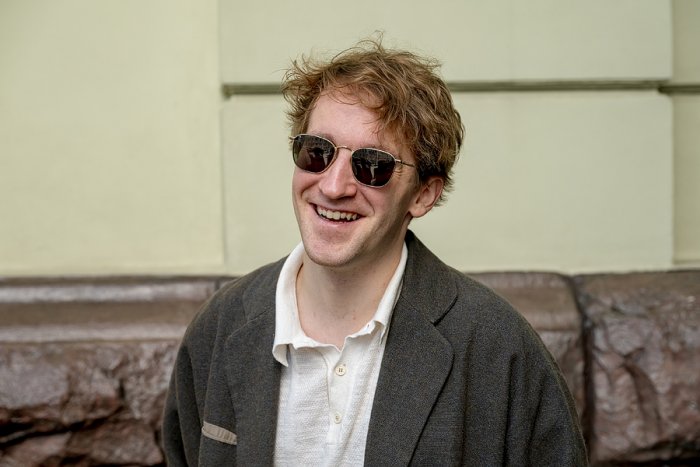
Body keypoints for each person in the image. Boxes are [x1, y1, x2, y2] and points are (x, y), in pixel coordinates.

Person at [162, 38, 587, 466]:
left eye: (373, 165)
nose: (333, 186)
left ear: (423, 195)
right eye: (317, 152)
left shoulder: (498, 348)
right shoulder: (220, 326)